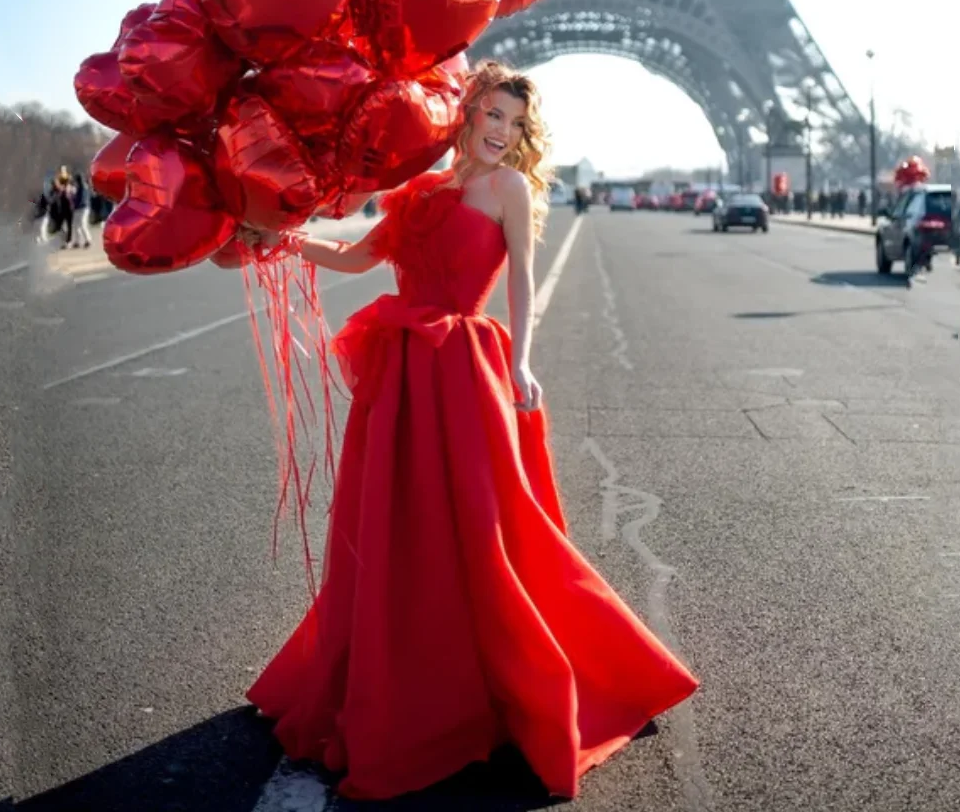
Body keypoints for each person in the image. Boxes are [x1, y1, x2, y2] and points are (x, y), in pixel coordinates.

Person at [240, 61, 699, 801]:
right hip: (399, 372)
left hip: (459, 368)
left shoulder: (509, 190)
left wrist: (520, 362)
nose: (501, 133)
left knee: (483, 529)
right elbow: (360, 257)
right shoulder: (421, 188)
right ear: (466, 113)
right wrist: (284, 241)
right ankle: (408, 672)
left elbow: (520, 275)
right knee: (395, 526)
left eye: (514, 124)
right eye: (492, 116)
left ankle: (507, 680)